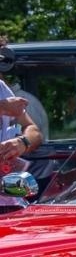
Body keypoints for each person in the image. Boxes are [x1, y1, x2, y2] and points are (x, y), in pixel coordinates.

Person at [0, 74, 43, 208]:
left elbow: (33, 130)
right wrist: (2, 107)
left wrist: (22, 142)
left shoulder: (1, 87)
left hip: (10, 200)